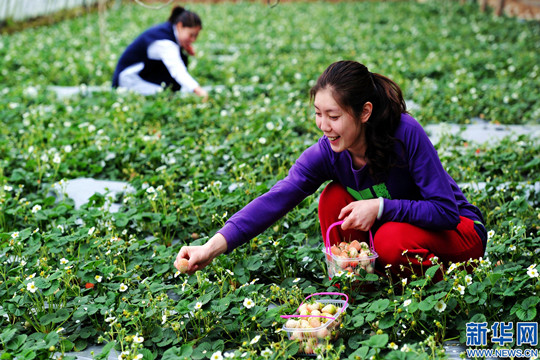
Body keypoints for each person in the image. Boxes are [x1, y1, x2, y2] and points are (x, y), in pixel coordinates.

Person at [174, 60, 487, 282]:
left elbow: (445, 211)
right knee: (333, 198)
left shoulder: (403, 133)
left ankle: (447, 284)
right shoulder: (328, 152)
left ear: (365, 112)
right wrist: (211, 247)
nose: (324, 126)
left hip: (458, 232)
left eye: (333, 116)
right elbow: (277, 198)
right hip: (402, 237)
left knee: (390, 238)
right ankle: (355, 281)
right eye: (318, 114)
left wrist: (381, 207)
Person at [112, 6, 208, 99]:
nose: (193, 39)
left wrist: (183, 46)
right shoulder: (165, 43)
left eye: (196, 36)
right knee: (165, 96)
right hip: (129, 78)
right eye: (191, 35)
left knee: (172, 91)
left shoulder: (170, 30)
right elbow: (178, 71)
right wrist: (198, 90)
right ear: (179, 26)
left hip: (142, 72)